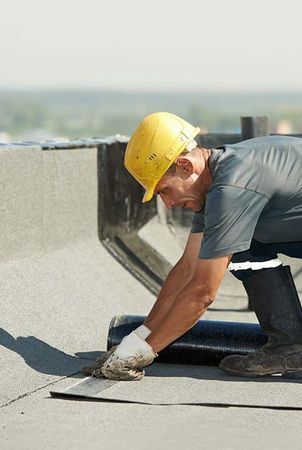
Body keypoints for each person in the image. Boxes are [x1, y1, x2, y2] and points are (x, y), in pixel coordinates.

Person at [83, 112, 302, 380]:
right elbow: (187, 269)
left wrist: (142, 353)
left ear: (185, 166)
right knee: (244, 247)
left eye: (165, 190)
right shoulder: (214, 182)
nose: (168, 204)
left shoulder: (232, 188)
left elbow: (201, 293)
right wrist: (137, 337)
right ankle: (289, 348)